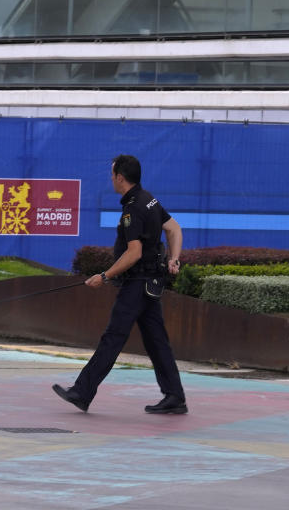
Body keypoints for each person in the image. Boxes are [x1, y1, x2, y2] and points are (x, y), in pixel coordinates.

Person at [53, 154, 187, 414]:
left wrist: (104, 276)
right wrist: (174, 260)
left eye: (112, 174)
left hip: (137, 284)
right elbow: (174, 229)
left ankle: (82, 392)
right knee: (157, 341)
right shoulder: (149, 200)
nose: (111, 179)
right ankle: (175, 396)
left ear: (120, 178)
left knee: (113, 338)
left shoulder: (133, 209)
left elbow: (134, 252)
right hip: (152, 283)